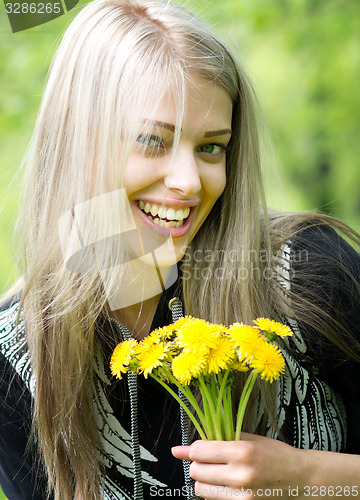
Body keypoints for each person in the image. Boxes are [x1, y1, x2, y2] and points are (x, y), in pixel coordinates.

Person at [0, 0, 360, 498]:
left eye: (211, 147)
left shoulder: (308, 271)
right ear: (76, 143)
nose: (190, 182)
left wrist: (315, 481)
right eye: (152, 140)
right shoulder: (18, 355)